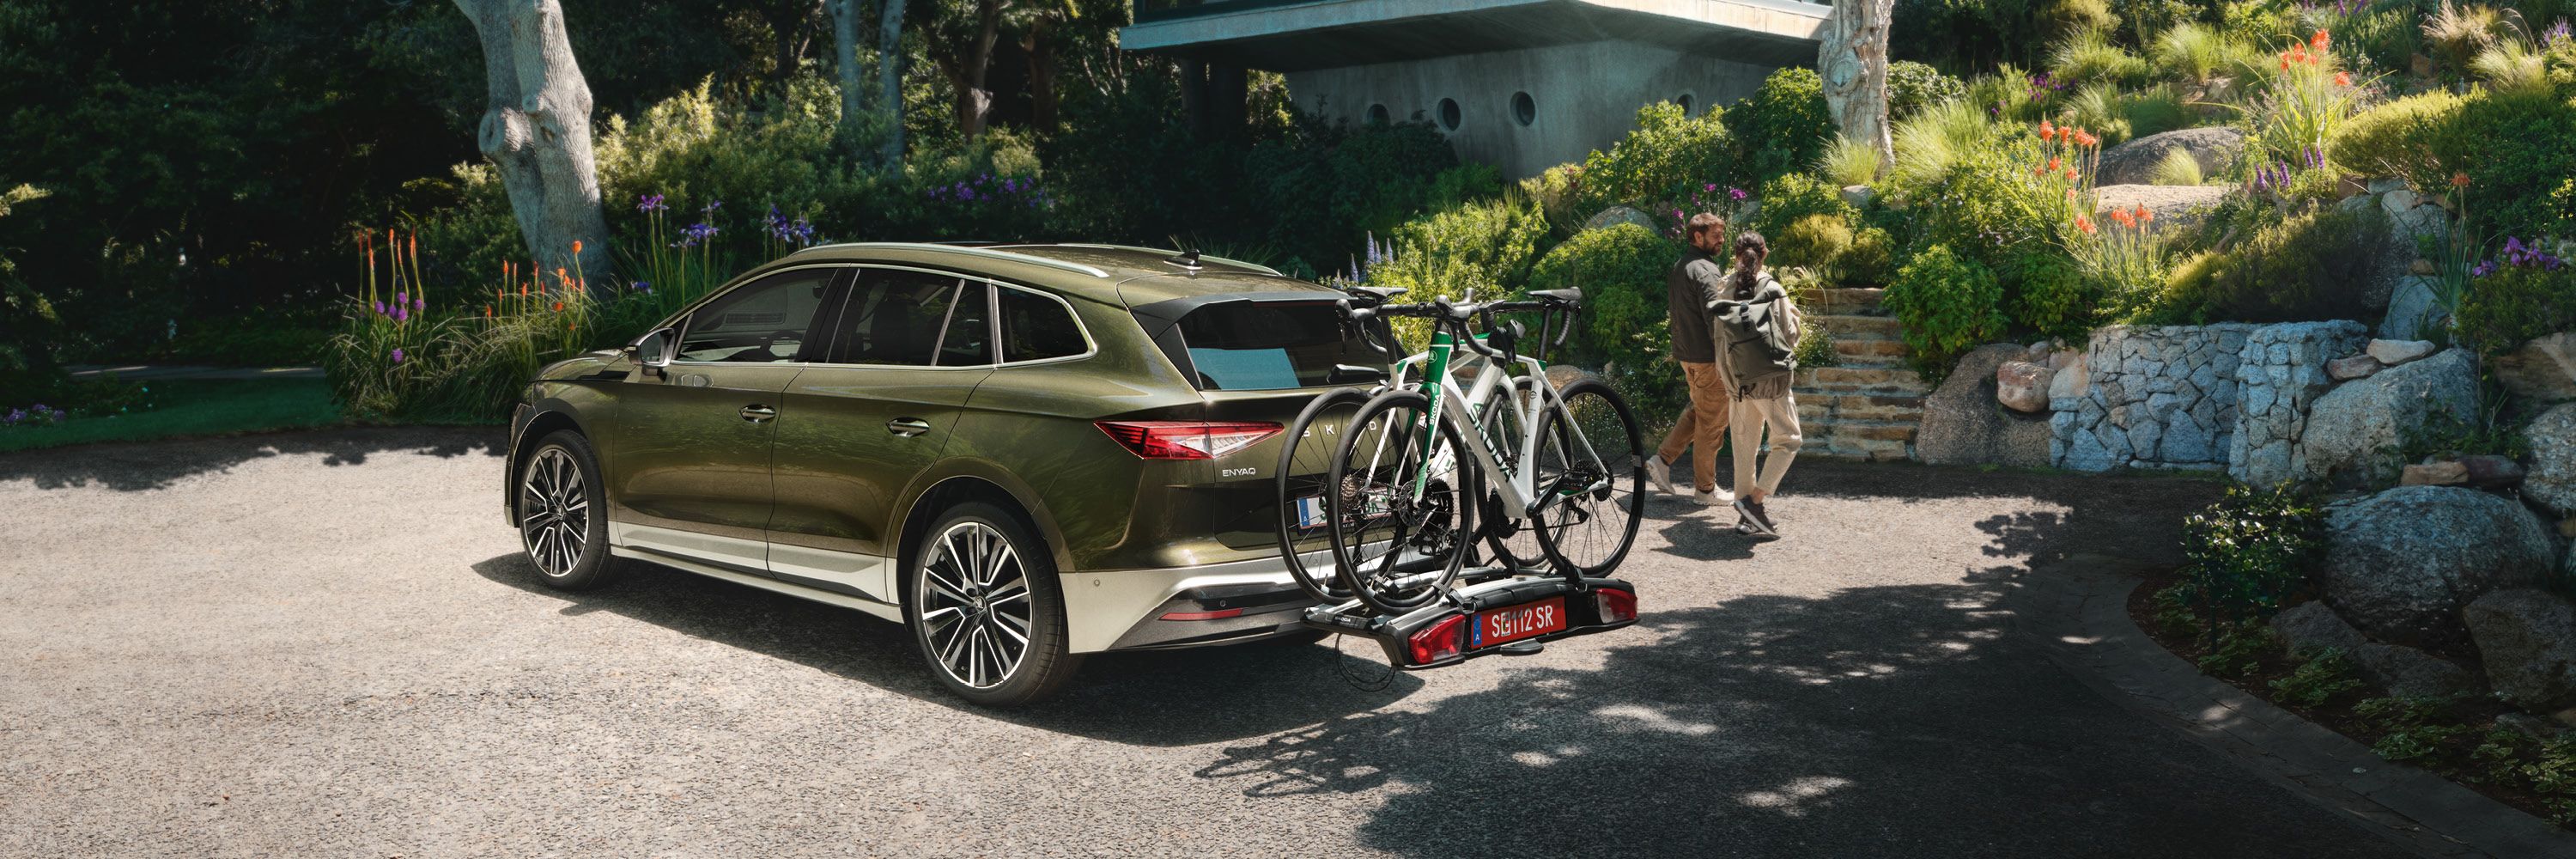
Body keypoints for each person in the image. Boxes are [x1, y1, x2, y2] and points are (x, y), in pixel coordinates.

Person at [1710, 230, 1801, 538]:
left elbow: (1720, 338)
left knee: (1744, 448)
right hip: (1769, 379)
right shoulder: (1772, 288)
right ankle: (1754, 502)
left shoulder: (1724, 288)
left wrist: (1726, 377)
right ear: (1766, 254)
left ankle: (1746, 516)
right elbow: (1789, 336)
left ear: (1735, 256)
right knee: (1789, 439)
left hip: (1737, 380)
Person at [1646, 212, 1734, 506]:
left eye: (1722, 234)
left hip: (1688, 355)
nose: (1721, 240)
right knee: (1712, 426)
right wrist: (1729, 358)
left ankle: (1662, 460)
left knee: (1702, 412)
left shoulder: (1681, 265)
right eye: (1715, 236)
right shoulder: (1706, 271)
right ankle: (1705, 491)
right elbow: (1716, 321)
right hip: (1708, 359)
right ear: (1698, 237)